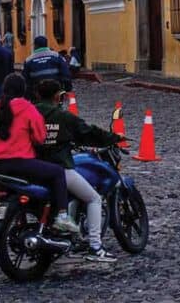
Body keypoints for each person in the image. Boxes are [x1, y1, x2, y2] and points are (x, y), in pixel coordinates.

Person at [34, 79, 122, 262]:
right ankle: (95, 246)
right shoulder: (63, 117)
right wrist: (113, 137)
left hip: (33, 167)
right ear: (58, 96)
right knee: (94, 198)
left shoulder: (30, 113)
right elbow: (88, 132)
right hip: (59, 167)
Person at [0, 73, 80, 236]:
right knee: (57, 172)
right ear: (24, 90)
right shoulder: (28, 109)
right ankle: (62, 216)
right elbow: (40, 138)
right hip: (20, 165)